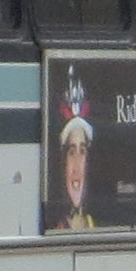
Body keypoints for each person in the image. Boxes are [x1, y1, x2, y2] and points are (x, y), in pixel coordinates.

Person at [52, 66, 95, 229]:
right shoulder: (57, 227)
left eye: (82, 152)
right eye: (71, 152)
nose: (77, 166)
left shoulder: (94, 224)